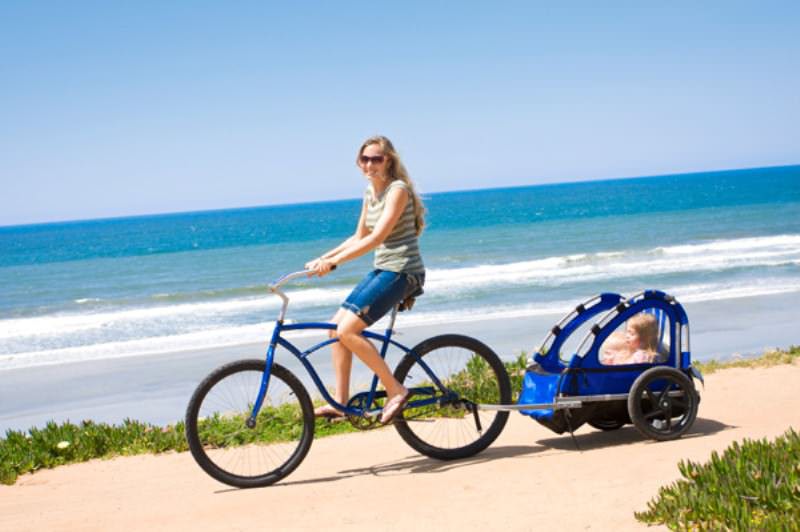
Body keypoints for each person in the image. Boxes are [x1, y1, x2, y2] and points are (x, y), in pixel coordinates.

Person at [305, 135, 426, 424]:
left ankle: (396, 390)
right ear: (359, 163)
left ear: (389, 161)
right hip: (384, 269)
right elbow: (359, 236)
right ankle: (341, 403)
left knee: (349, 331)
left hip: (402, 271)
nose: (369, 164)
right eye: (365, 159)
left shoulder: (398, 190)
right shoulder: (370, 192)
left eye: (376, 158)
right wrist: (324, 257)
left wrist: (334, 262)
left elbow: (377, 237)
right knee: (334, 329)